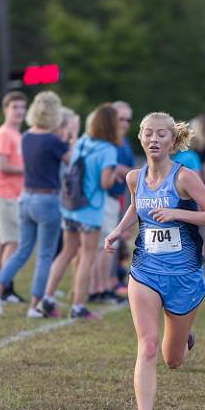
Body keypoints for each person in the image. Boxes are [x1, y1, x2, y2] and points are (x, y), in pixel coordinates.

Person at [103, 112, 205, 410]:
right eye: (148, 134)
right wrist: (117, 232)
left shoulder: (185, 178)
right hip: (145, 271)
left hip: (184, 275)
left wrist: (177, 212)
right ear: (141, 138)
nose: (154, 139)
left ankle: (184, 339)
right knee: (147, 346)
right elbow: (136, 205)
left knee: (172, 359)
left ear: (172, 140)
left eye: (161, 134)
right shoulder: (134, 177)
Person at [0, 91, 71, 317]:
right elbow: (71, 160)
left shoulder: (26, 137)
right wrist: (69, 135)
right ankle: (35, 306)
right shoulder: (53, 140)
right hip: (46, 199)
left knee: (21, 250)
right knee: (44, 255)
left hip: (25, 198)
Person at [38, 103, 126, 320]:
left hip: (71, 207)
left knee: (67, 252)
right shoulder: (108, 150)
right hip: (91, 210)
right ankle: (78, 306)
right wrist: (115, 173)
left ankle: (46, 298)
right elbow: (105, 183)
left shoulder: (83, 142)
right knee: (87, 256)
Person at [90, 100, 134, 303]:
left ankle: (106, 285)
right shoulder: (108, 143)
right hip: (104, 197)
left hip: (115, 198)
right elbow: (108, 169)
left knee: (106, 246)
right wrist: (130, 173)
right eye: (120, 118)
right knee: (104, 246)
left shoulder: (122, 142)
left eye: (128, 119)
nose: (124, 123)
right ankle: (100, 289)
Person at [0, 91, 27, 302]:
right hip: (4, 193)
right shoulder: (4, 134)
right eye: (15, 107)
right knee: (12, 242)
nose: (19, 111)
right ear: (5, 110)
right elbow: (3, 165)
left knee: (2, 242)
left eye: (22, 107)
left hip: (11, 194)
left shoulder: (16, 134)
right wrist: (28, 169)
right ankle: (4, 289)